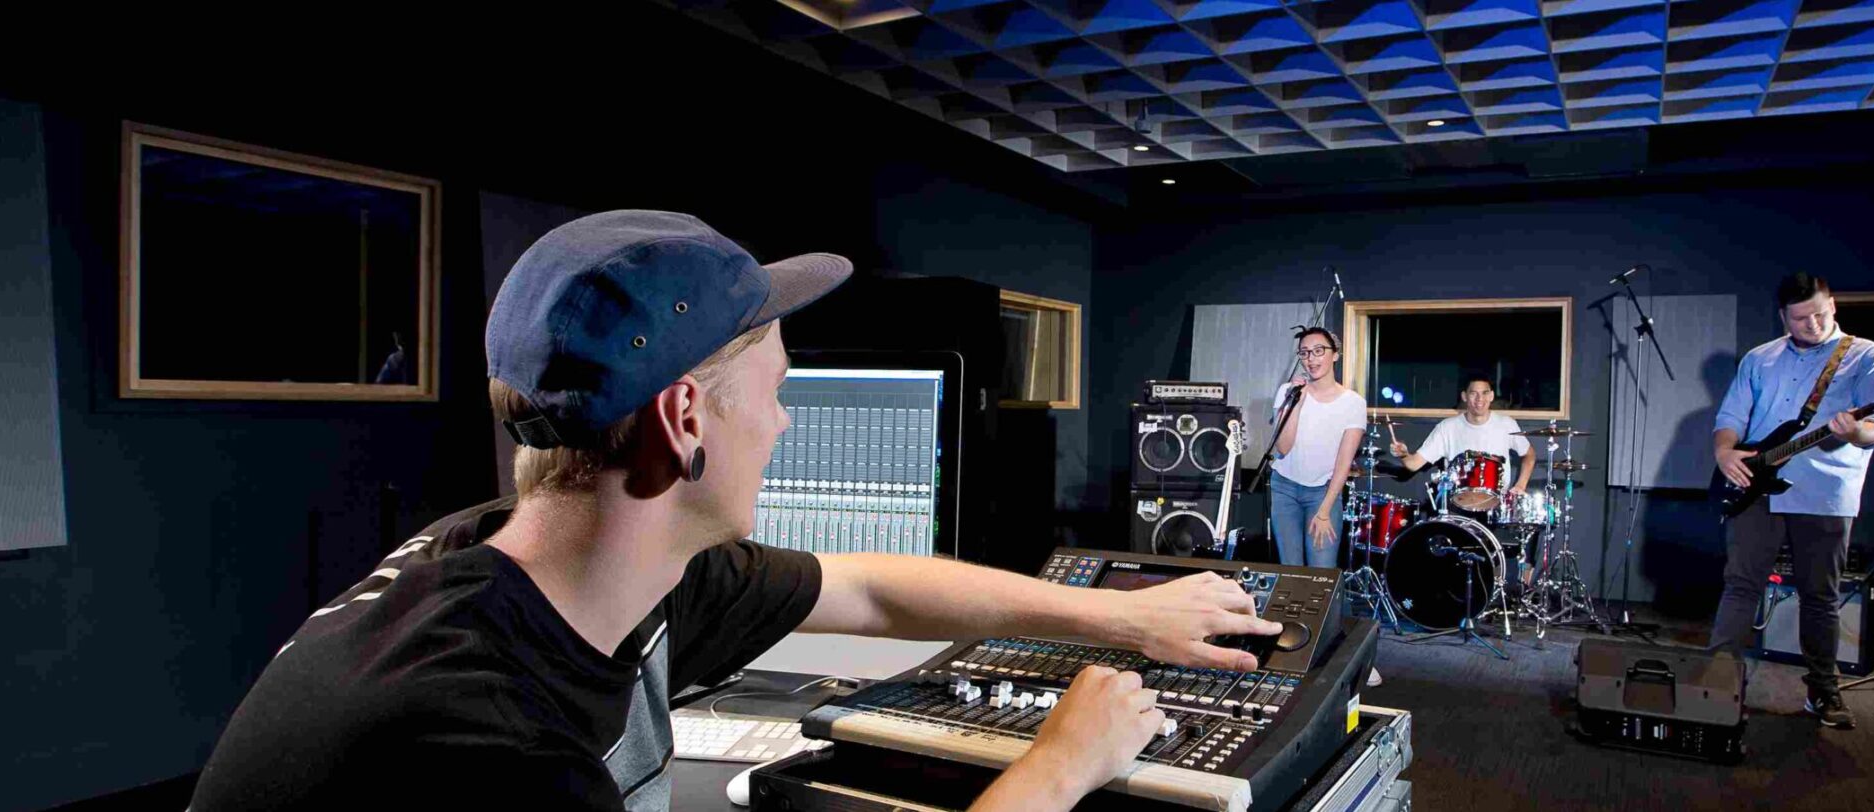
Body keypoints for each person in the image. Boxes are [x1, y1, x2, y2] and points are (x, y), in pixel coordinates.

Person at [190, 211, 1281, 811]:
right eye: (776, 391)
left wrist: (1122, 616)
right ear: (684, 421)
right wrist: (1058, 766)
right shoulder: (484, 745)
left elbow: (866, 586)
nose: (785, 422)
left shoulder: (556, 562)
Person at [1706, 273, 1874, 730]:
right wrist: (1725, 452)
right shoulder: (1760, 358)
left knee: (1820, 595)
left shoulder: (1867, 357)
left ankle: (1823, 691)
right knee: (1740, 584)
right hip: (1756, 486)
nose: (1812, 324)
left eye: (1819, 314)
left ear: (1833, 305)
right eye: (1800, 318)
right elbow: (1731, 415)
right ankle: (1718, 685)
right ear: (1782, 317)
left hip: (1825, 492)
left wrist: (1857, 431)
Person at [1265, 327, 1366, 568]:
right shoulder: (1288, 392)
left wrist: (1324, 511)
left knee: (1321, 572)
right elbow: (1283, 447)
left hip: (1323, 493)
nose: (1311, 359)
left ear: (1335, 354)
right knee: (1290, 569)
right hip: (1284, 488)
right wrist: (1297, 403)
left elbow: (1343, 464)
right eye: (1305, 353)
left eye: (1319, 351)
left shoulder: (1353, 403)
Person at [1386, 374, 1538, 498]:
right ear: (1464, 396)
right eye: (1473, 393)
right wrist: (1404, 455)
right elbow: (1413, 464)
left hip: (1497, 503)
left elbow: (1529, 454)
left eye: (1485, 393)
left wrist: (1520, 485)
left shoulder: (1507, 424)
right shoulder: (1447, 427)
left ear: (1491, 396)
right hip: (1457, 504)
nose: (1479, 399)